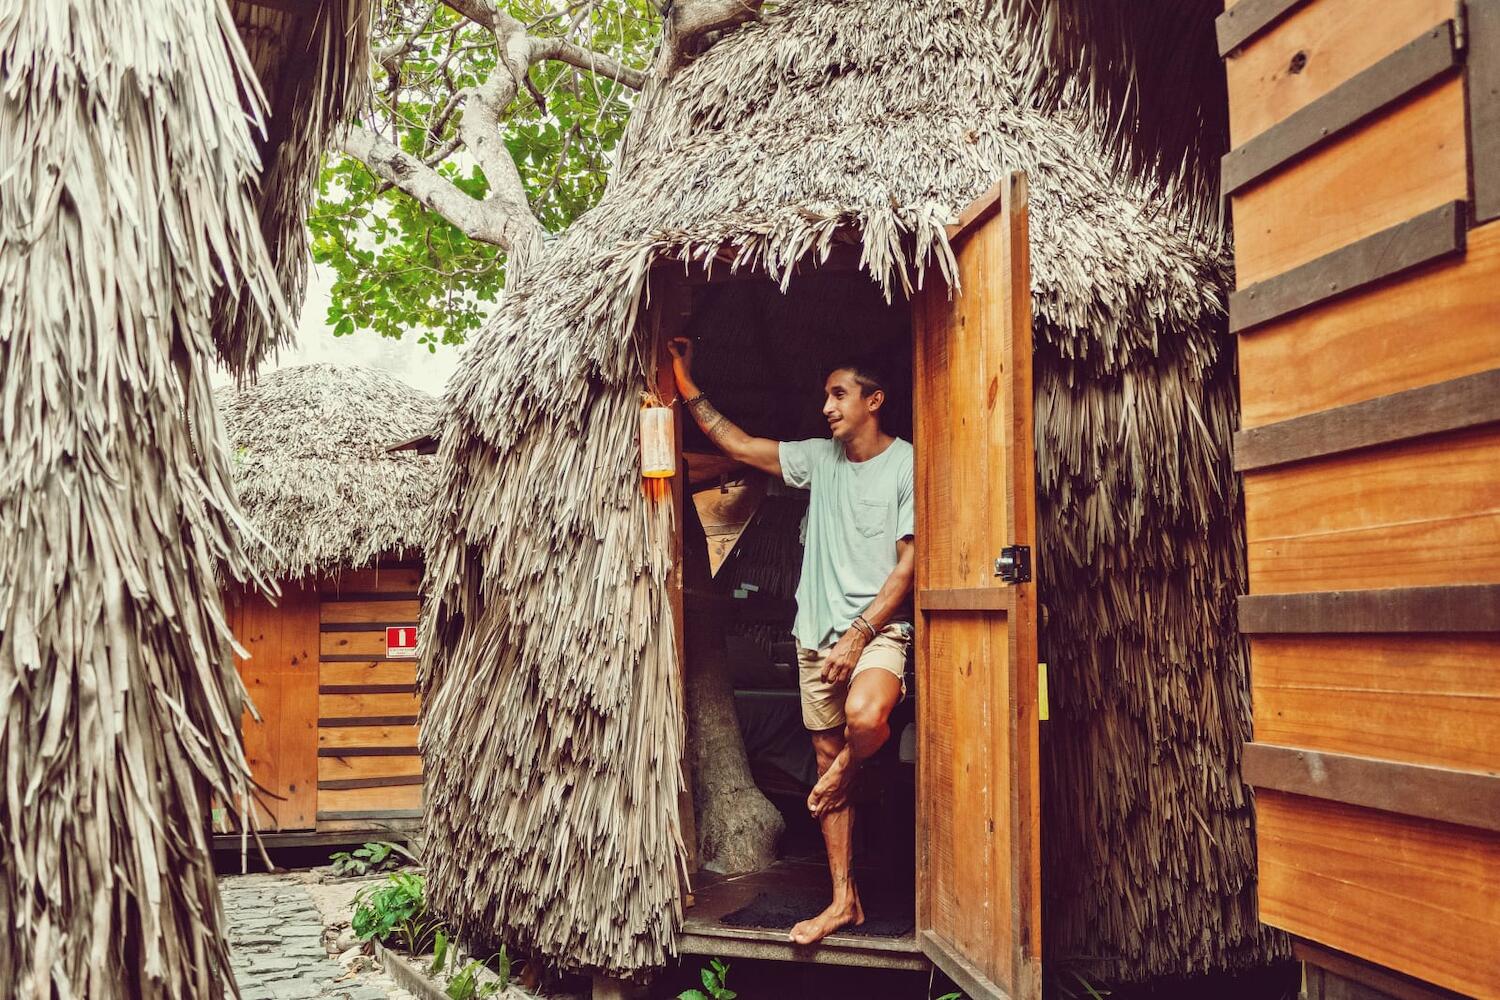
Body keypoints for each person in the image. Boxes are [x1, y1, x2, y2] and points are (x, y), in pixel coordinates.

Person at [667, 337, 915, 946]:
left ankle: (841, 776)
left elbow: (909, 566)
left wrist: (860, 635)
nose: (826, 407)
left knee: (865, 716)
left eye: (839, 395)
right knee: (828, 759)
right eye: (825, 396)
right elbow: (740, 445)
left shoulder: (908, 463)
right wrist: (684, 379)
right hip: (813, 635)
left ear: (873, 400)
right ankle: (842, 901)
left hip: (879, 631)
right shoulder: (817, 458)